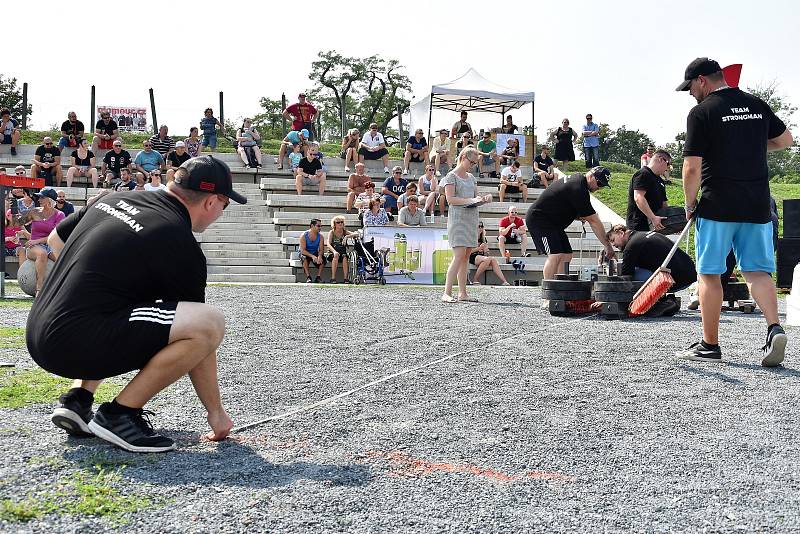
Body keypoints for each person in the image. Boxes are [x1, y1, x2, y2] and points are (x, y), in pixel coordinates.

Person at [27, 155, 244, 452]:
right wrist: (215, 412)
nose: (222, 211)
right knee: (209, 322)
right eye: (225, 205)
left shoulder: (115, 198)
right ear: (211, 202)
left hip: (39, 332)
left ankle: (78, 400)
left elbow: (54, 239)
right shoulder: (178, 241)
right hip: (73, 343)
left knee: (116, 297)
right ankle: (120, 414)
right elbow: (202, 338)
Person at [674, 57, 794, 366]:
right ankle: (773, 328)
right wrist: (747, 144)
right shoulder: (756, 103)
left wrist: (690, 204)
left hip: (718, 204)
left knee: (710, 273)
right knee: (756, 271)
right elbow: (785, 140)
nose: (690, 94)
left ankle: (709, 345)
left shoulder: (702, 112)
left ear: (702, 80)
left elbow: (691, 168)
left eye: (690, 87)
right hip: (756, 204)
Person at [525, 167, 616, 284]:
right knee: (555, 254)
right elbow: (594, 221)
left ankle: (561, 286)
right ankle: (549, 293)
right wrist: (607, 246)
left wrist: (578, 215)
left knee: (567, 254)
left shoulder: (578, 181)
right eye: (599, 183)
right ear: (591, 175)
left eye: (602, 185)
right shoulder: (578, 188)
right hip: (540, 220)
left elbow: (564, 202)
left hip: (553, 222)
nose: (599, 187)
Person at [606, 224, 696, 316]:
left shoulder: (631, 246)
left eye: (613, 240)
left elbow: (626, 277)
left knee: (632, 277)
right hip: (689, 272)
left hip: (676, 279)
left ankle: (658, 303)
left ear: (621, 233)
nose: (613, 245)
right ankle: (665, 301)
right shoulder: (645, 235)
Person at [439, 147, 491, 303]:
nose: (473, 165)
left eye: (475, 163)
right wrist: (471, 200)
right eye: (472, 161)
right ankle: (447, 292)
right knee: (459, 256)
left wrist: (483, 199)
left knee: (466, 257)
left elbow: (475, 198)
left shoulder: (472, 178)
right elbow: (451, 200)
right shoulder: (451, 176)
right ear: (463, 158)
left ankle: (463, 293)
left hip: (471, 220)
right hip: (457, 220)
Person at [19, 188, 65, 295]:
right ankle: (39, 288)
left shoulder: (60, 215)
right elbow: (19, 222)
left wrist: (37, 240)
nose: (39, 199)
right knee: (42, 253)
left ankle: (62, 289)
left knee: (62, 259)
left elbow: (55, 235)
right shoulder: (35, 212)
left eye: (42, 197)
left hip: (50, 245)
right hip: (33, 247)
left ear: (50, 200)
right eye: (39, 197)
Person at [626, 149, 672, 232]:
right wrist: (653, 218)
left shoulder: (660, 180)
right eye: (668, 164)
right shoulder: (643, 174)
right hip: (639, 226)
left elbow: (664, 203)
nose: (667, 168)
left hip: (654, 226)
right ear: (660, 159)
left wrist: (672, 221)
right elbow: (639, 197)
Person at [470, 221, 510, 286]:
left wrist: (486, 251)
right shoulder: (471, 237)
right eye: (478, 226)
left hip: (481, 257)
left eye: (481, 226)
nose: (480, 228)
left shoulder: (483, 238)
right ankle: (475, 279)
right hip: (472, 256)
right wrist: (479, 248)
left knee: (493, 260)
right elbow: (468, 251)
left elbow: (486, 254)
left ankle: (504, 281)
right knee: (487, 259)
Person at [325, 216, 354, 284]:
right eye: (338, 222)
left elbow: (357, 234)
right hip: (333, 252)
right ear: (334, 224)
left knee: (344, 257)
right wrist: (334, 252)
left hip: (342, 252)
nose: (340, 223)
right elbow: (328, 244)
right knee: (336, 256)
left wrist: (347, 236)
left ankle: (345, 278)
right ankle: (333, 278)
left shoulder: (345, 232)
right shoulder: (332, 232)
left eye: (342, 222)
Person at [299, 218, 326, 283]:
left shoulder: (321, 237)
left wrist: (319, 256)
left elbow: (321, 249)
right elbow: (303, 250)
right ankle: (308, 277)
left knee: (323, 260)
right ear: (312, 226)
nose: (320, 228)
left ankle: (318, 277)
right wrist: (312, 256)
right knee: (304, 258)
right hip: (306, 252)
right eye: (318, 226)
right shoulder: (304, 235)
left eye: (320, 226)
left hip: (314, 252)